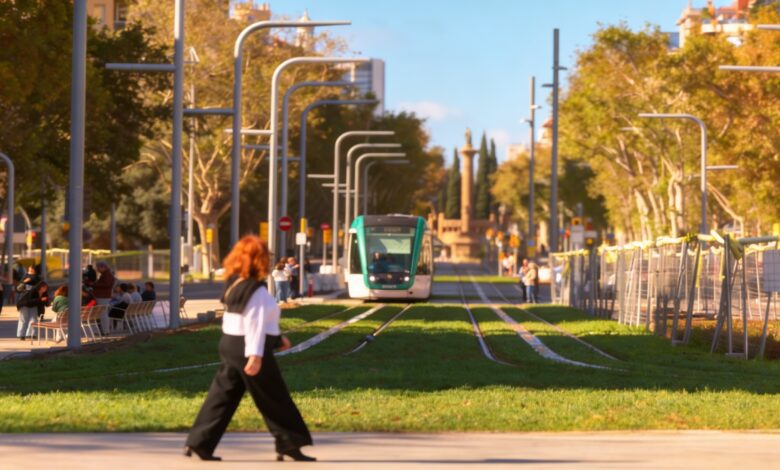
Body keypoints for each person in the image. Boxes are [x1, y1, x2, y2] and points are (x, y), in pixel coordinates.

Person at [185, 235, 314, 462]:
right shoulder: (256, 290)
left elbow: (241, 320)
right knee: (274, 395)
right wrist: (255, 355)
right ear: (259, 260)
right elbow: (254, 323)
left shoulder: (235, 283)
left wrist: (277, 338)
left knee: (222, 395)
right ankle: (289, 443)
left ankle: (199, 442)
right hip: (249, 346)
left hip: (231, 342)